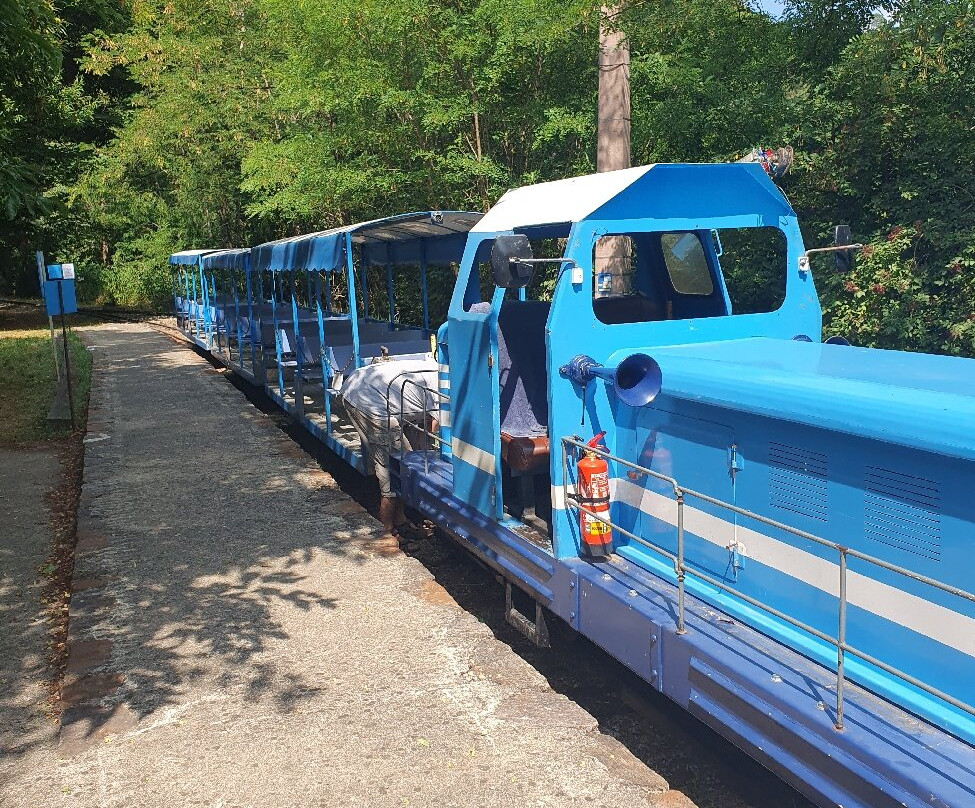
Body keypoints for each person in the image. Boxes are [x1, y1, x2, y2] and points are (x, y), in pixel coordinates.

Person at [339, 355, 439, 540]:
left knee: (407, 463)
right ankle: (386, 531)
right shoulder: (445, 388)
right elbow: (432, 433)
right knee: (397, 467)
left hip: (362, 385)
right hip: (369, 399)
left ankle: (400, 520)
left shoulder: (440, 372)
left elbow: (423, 433)